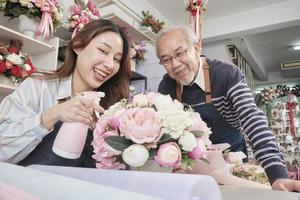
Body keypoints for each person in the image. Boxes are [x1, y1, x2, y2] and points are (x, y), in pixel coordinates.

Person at [156, 25, 300, 192]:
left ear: (196, 48)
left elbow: (252, 119)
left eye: (180, 53)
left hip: (234, 157)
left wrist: (277, 175)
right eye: (166, 59)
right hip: (196, 163)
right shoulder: (166, 85)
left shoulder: (226, 74)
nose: (175, 64)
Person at [0, 19, 131, 167]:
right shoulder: (39, 86)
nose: (110, 64)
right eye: (102, 51)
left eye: (117, 59)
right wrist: (50, 116)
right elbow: (2, 150)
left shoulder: (112, 109)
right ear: (78, 46)